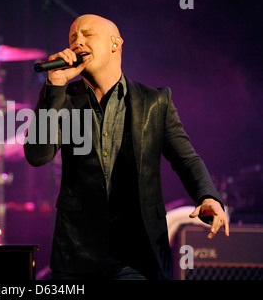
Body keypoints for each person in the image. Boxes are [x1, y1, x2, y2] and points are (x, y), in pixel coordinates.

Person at [24, 14, 229, 280]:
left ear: (115, 43)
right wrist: (55, 87)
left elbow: (186, 158)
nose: (77, 42)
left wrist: (207, 196)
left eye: (87, 35)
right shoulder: (65, 100)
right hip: (77, 253)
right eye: (73, 37)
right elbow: (38, 156)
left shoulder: (154, 102)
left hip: (137, 254)